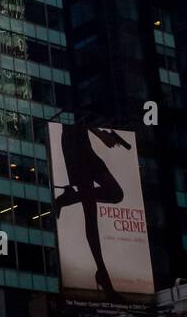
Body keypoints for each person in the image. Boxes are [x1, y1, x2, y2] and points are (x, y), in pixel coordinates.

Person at [51, 123, 131, 298]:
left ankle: (68, 198)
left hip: (82, 144)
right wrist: (100, 134)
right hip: (74, 144)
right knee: (90, 213)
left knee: (116, 194)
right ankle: (102, 273)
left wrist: (100, 133)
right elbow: (74, 115)